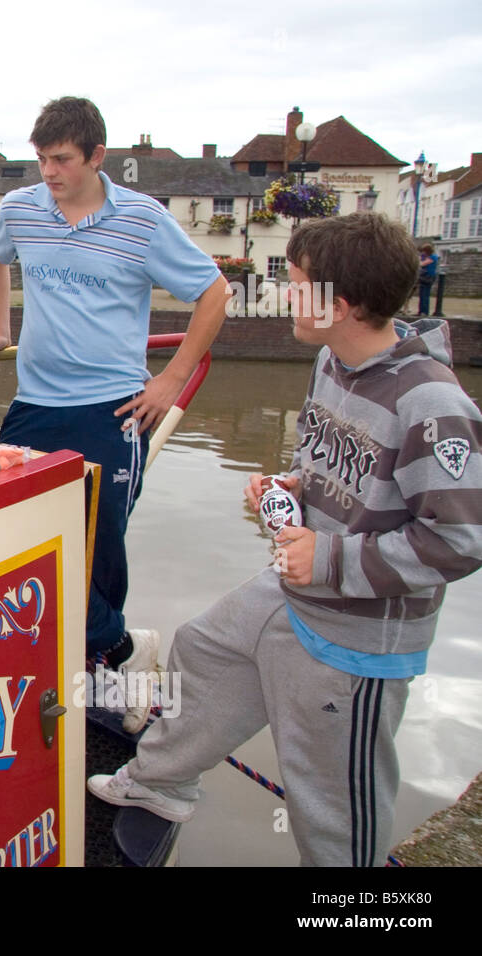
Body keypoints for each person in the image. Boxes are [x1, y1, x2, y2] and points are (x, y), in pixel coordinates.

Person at [88, 212, 482, 865]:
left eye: (296, 286)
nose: (282, 298)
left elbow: (461, 538)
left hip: (357, 636)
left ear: (343, 305)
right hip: (297, 587)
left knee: (334, 806)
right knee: (203, 648)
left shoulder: (433, 405)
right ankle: (161, 785)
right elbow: (339, 464)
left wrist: (329, 556)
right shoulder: (333, 360)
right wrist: (295, 485)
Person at [0, 96, 229, 731]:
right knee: (14, 529)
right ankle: (120, 648)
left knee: (100, 543)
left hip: (114, 404)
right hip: (35, 401)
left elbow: (213, 292)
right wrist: (2, 322)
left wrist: (171, 379)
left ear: (97, 156)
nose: (49, 173)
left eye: (61, 160)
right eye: (40, 159)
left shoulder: (142, 220)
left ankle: (96, 670)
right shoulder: (20, 209)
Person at [417, 242, 438, 316]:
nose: (423, 253)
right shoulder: (428, 257)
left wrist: (419, 259)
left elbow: (421, 264)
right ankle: (420, 311)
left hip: (428, 277)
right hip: (424, 277)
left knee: (425, 295)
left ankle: (425, 312)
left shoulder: (432, 257)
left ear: (427, 251)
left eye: (424, 251)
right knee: (422, 294)